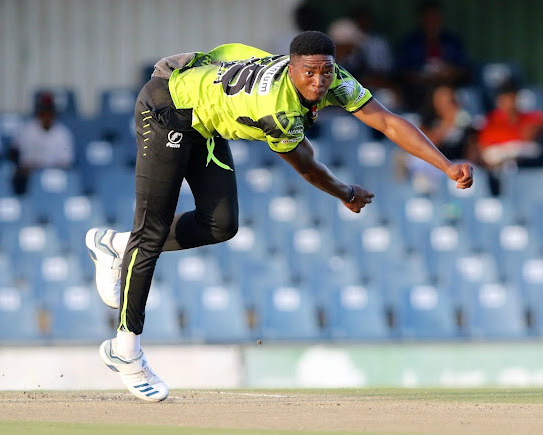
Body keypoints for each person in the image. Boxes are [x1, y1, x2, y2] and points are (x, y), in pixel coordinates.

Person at [85, 31, 473, 402]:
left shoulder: (332, 76)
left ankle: (115, 245)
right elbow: (305, 166)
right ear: (291, 68)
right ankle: (126, 350)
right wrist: (346, 193)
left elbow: (386, 120)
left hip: (204, 117)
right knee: (150, 234)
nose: (319, 82)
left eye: (325, 72)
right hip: (166, 108)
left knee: (220, 225)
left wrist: (445, 165)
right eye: (310, 73)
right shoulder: (277, 110)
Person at [398, 84, 478, 193]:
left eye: (450, 101)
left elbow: (471, 152)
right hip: (433, 163)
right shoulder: (427, 118)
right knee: (416, 162)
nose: (446, 105)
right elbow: (425, 145)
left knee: (471, 169)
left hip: (456, 162)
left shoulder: (464, 120)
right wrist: (447, 124)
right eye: (442, 101)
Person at [397, 1, 471, 111]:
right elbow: (402, 72)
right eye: (428, 19)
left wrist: (448, 72)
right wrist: (423, 75)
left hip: (450, 86)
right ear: (421, 20)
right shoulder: (410, 42)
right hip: (419, 90)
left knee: (467, 95)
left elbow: (465, 69)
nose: (432, 23)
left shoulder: (452, 41)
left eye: (435, 19)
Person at [9, 92, 75, 194]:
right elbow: (13, 152)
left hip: (53, 176)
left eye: (49, 112)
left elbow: (66, 163)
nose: (46, 116)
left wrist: (45, 168)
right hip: (29, 177)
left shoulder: (63, 133)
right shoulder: (27, 129)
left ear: (54, 113)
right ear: (39, 112)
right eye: (44, 111)